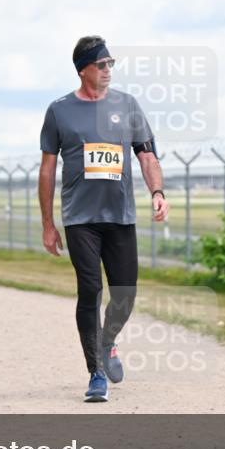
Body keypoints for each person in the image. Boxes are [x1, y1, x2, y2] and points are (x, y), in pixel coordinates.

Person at [38, 35, 169, 403]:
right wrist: (48, 224)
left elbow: (147, 156)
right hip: (80, 218)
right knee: (90, 290)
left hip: (120, 216)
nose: (109, 70)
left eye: (111, 63)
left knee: (125, 294)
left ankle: (107, 340)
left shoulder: (128, 105)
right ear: (84, 70)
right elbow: (47, 170)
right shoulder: (59, 111)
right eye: (102, 64)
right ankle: (96, 372)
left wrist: (157, 192)